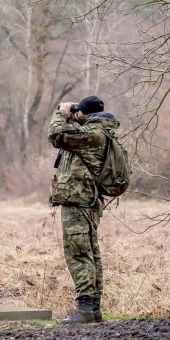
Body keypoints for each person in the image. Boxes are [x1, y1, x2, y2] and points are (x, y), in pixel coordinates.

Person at [48, 95, 120, 324]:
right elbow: (71, 134)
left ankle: (85, 308)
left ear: (85, 115)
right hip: (85, 201)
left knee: (78, 253)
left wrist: (61, 112)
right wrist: (74, 116)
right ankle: (93, 308)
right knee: (89, 252)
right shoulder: (98, 133)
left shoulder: (92, 135)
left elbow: (57, 135)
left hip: (79, 201)